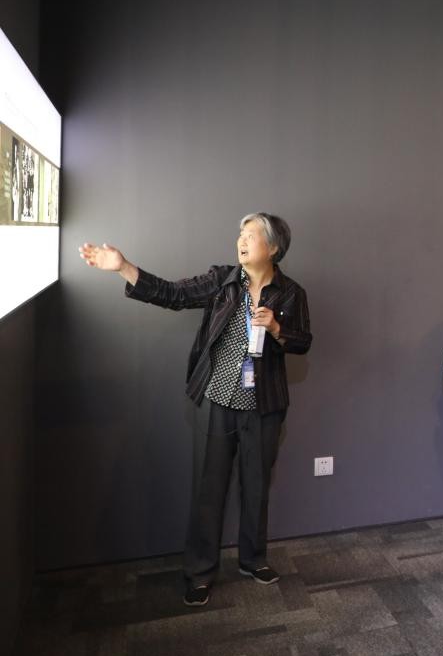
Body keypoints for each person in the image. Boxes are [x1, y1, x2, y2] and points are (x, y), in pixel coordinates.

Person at [77, 213, 312, 607]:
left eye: (251, 235)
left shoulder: (291, 293)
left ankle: (253, 560)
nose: (241, 241)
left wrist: (276, 329)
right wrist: (123, 267)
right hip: (218, 400)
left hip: (265, 405)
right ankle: (200, 573)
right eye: (240, 234)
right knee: (209, 490)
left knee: (257, 486)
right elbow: (173, 294)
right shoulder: (223, 280)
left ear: (273, 247)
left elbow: (303, 342)